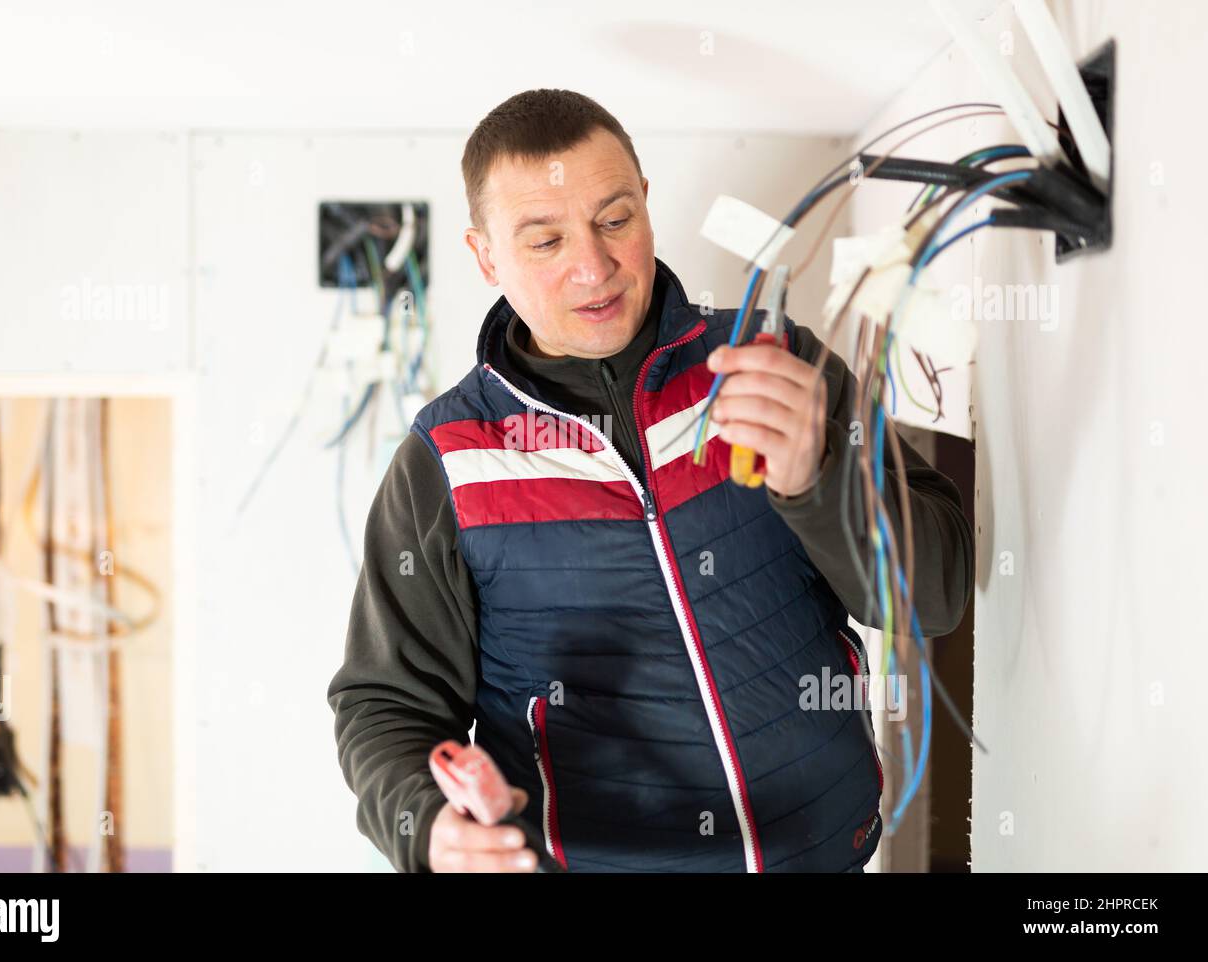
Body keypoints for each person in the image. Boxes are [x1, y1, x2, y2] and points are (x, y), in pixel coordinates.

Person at [327, 88, 973, 873]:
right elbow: (384, 704)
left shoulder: (776, 365)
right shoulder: (447, 460)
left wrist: (821, 479)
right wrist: (423, 825)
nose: (593, 266)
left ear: (646, 207)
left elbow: (932, 600)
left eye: (614, 219)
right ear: (486, 256)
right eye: (544, 241)